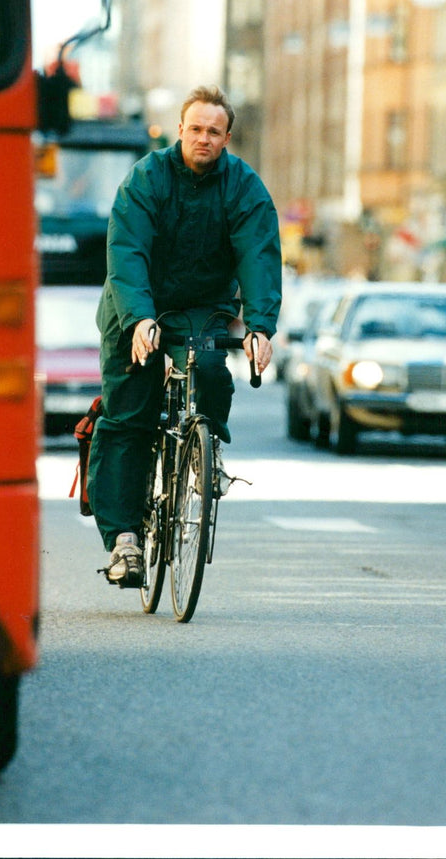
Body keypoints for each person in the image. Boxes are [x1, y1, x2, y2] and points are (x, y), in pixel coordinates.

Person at [87, 85, 282, 587]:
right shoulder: (147, 179)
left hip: (200, 308)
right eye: (195, 129)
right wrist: (137, 319)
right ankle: (124, 543)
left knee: (212, 368)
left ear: (227, 138)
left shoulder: (244, 187)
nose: (203, 138)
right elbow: (126, 251)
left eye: (213, 132)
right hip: (136, 304)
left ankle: (206, 444)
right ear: (180, 130)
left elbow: (258, 256)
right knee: (128, 415)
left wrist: (260, 326)